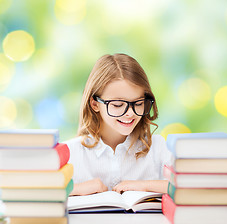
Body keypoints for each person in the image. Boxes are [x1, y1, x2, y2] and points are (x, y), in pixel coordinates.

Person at [66, 53, 173, 196]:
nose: (130, 113)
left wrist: (145, 186)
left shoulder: (158, 148)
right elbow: (37, 193)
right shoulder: (71, 153)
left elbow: (190, 187)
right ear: (95, 104)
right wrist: (75, 189)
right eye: (117, 105)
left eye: (138, 103)